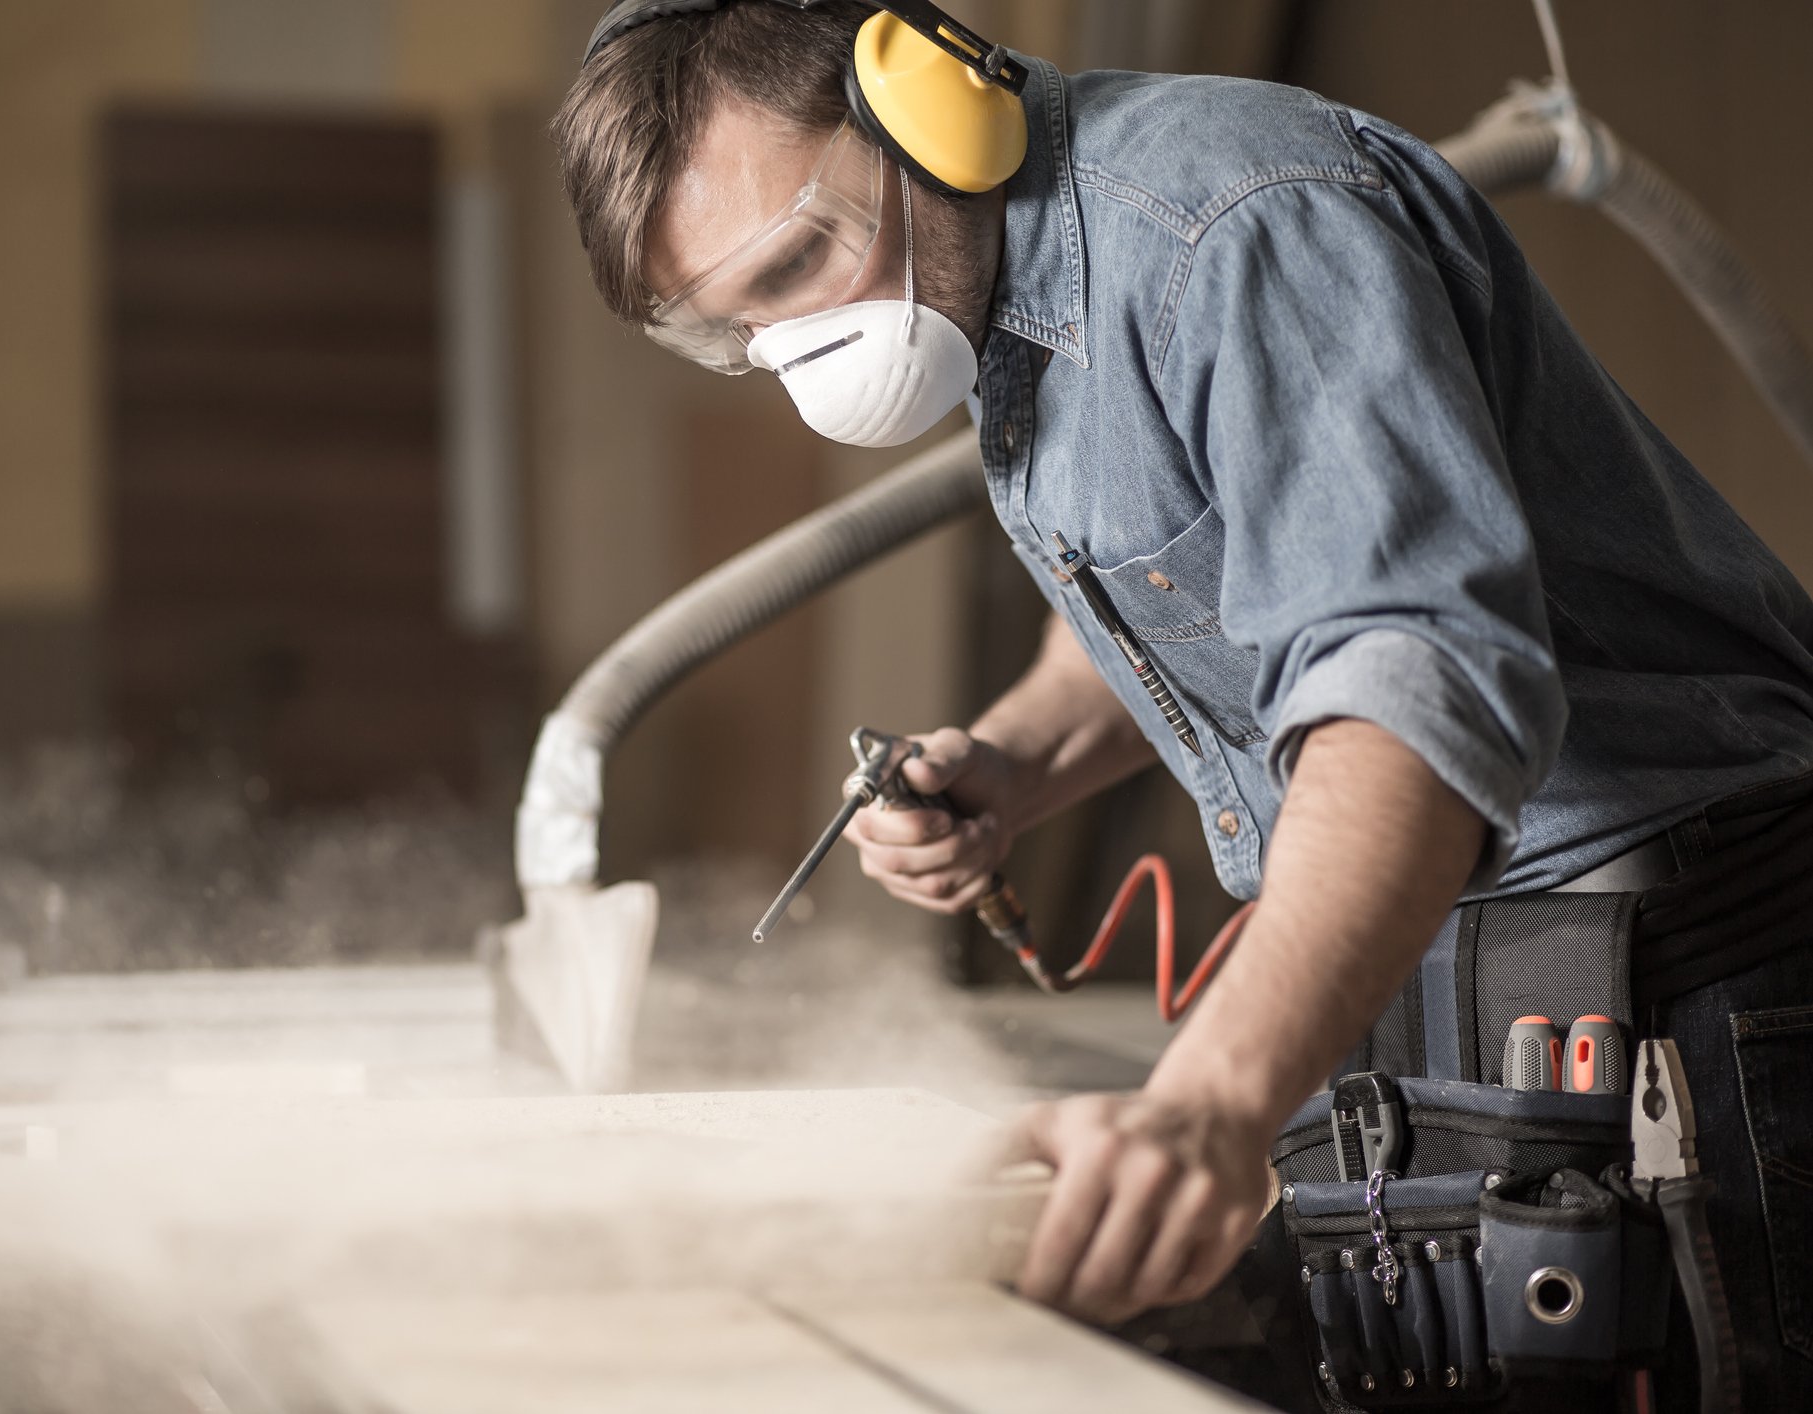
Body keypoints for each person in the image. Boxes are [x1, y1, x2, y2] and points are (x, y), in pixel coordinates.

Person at [552, 3, 1813, 1405]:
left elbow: (1413, 693)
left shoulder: (1235, 228)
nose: (798, 348)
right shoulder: (1015, 285)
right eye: (739, 331)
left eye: (798, 262)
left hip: (1687, 982)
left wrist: (1209, 1101)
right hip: (1475, 963)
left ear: (928, 110)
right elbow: (1196, 568)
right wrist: (1016, 762)